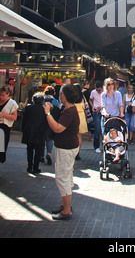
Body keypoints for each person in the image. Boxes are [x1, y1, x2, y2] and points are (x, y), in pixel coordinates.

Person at [43, 84, 80, 221]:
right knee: (67, 176)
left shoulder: (69, 111)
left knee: (62, 177)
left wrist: (47, 113)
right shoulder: (68, 108)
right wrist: (53, 109)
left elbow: (58, 128)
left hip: (66, 148)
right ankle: (66, 205)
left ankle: (66, 210)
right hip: (67, 147)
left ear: (67, 95)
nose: (60, 95)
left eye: (62, 93)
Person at [22, 92, 48, 174]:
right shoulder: (44, 109)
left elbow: (24, 120)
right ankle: (36, 167)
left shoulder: (29, 108)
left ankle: (30, 166)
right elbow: (46, 122)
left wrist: (24, 130)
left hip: (29, 132)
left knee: (29, 150)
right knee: (38, 151)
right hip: (40, 133)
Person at [0, 85, 18, 163]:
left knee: (1, 149)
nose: (1, 97)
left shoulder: (12, 103)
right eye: (0, 95)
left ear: (8, 94)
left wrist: (3, 115)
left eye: (3, 95)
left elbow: (14, 117)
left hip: (4, 127)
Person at [73, 83, 88, 160]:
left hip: (73, 117)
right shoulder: (82, 97)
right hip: (81, 117)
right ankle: (77, 153)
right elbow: (87, 106)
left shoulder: (71, 97)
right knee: (79, 136)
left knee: (72, 135)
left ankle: (72, 152)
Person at [90, 80, 103, 153]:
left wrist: (100, 107)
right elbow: (91, 99)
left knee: (104, 129)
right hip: (96, 112)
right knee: (97, 129)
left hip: (103, 111)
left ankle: (105, 145)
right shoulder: (93, 92)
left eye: (99, 90)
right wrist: (92, 106)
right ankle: (96, 146)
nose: (98, 91)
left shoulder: (105, 92)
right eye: (97, 90)